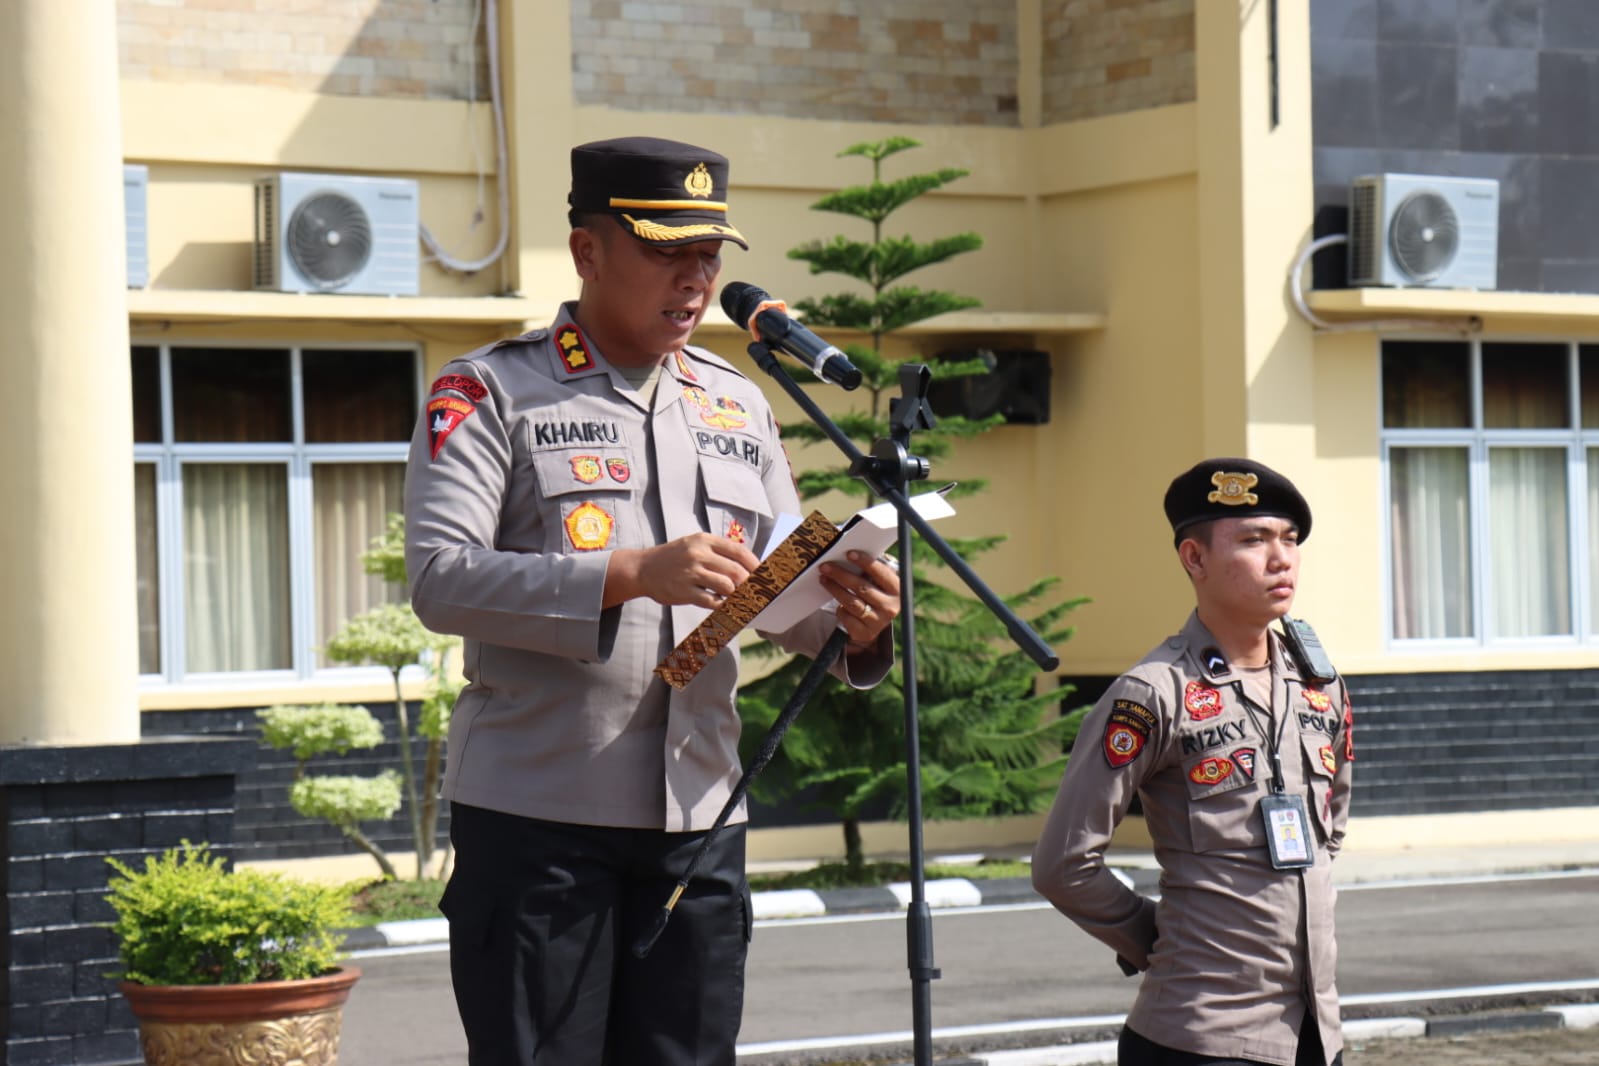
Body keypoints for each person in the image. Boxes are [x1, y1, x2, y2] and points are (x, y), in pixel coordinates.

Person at [404, 136, 901, 1066]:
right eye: (667, 253)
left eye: (708, 257)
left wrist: (855, 622)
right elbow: (438, 577)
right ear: (587, 252)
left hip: (701, 816)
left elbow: (777, 593)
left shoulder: (735, 404)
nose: (695, 280)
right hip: (540, 821)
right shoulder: (491, 390)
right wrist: (627, 573)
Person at [1031, 458, 1354, 1066]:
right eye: (1254, 540)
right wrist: (1156, 938)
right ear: (1194, 558)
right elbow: (1062, 864)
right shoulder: (1154, 692)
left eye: (1289, 539)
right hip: (1199, 1036)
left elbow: (1328, 831)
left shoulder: (1320, 685)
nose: (1280, 558)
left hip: (1315, 1035)